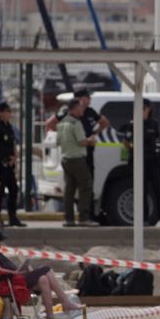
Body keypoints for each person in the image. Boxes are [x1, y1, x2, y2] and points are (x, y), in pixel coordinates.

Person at [120, 100, 160, 225]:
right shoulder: (132, 124)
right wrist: (133, 150)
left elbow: (156, 138)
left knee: (159, 190)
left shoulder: (154, 124)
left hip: (153, 161)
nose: (141, 111)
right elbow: (126, 141)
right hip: (139, 161)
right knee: (141, 191)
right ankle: (144, 219)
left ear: (148, 109)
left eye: (143, 108)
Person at [57, 97, 98, 227]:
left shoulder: (62, 122)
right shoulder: (76, 123)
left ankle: (69, 219)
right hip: (77, 160)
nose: (82, 109)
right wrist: (91, 140)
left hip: (66, 159)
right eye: (80, 107)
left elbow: (58, 141)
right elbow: (81, 142)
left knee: (69, 190)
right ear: (74, 108)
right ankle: (84, 218)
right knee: (86, 187)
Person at [0, 101, 25, 226]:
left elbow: (13, 144)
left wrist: (15, 159)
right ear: (0, 113)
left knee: (14, 190)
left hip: (9, 164)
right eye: (7, 111)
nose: (9, 113)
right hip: (0, 164)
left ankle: (13, 217)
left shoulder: (10, 128)